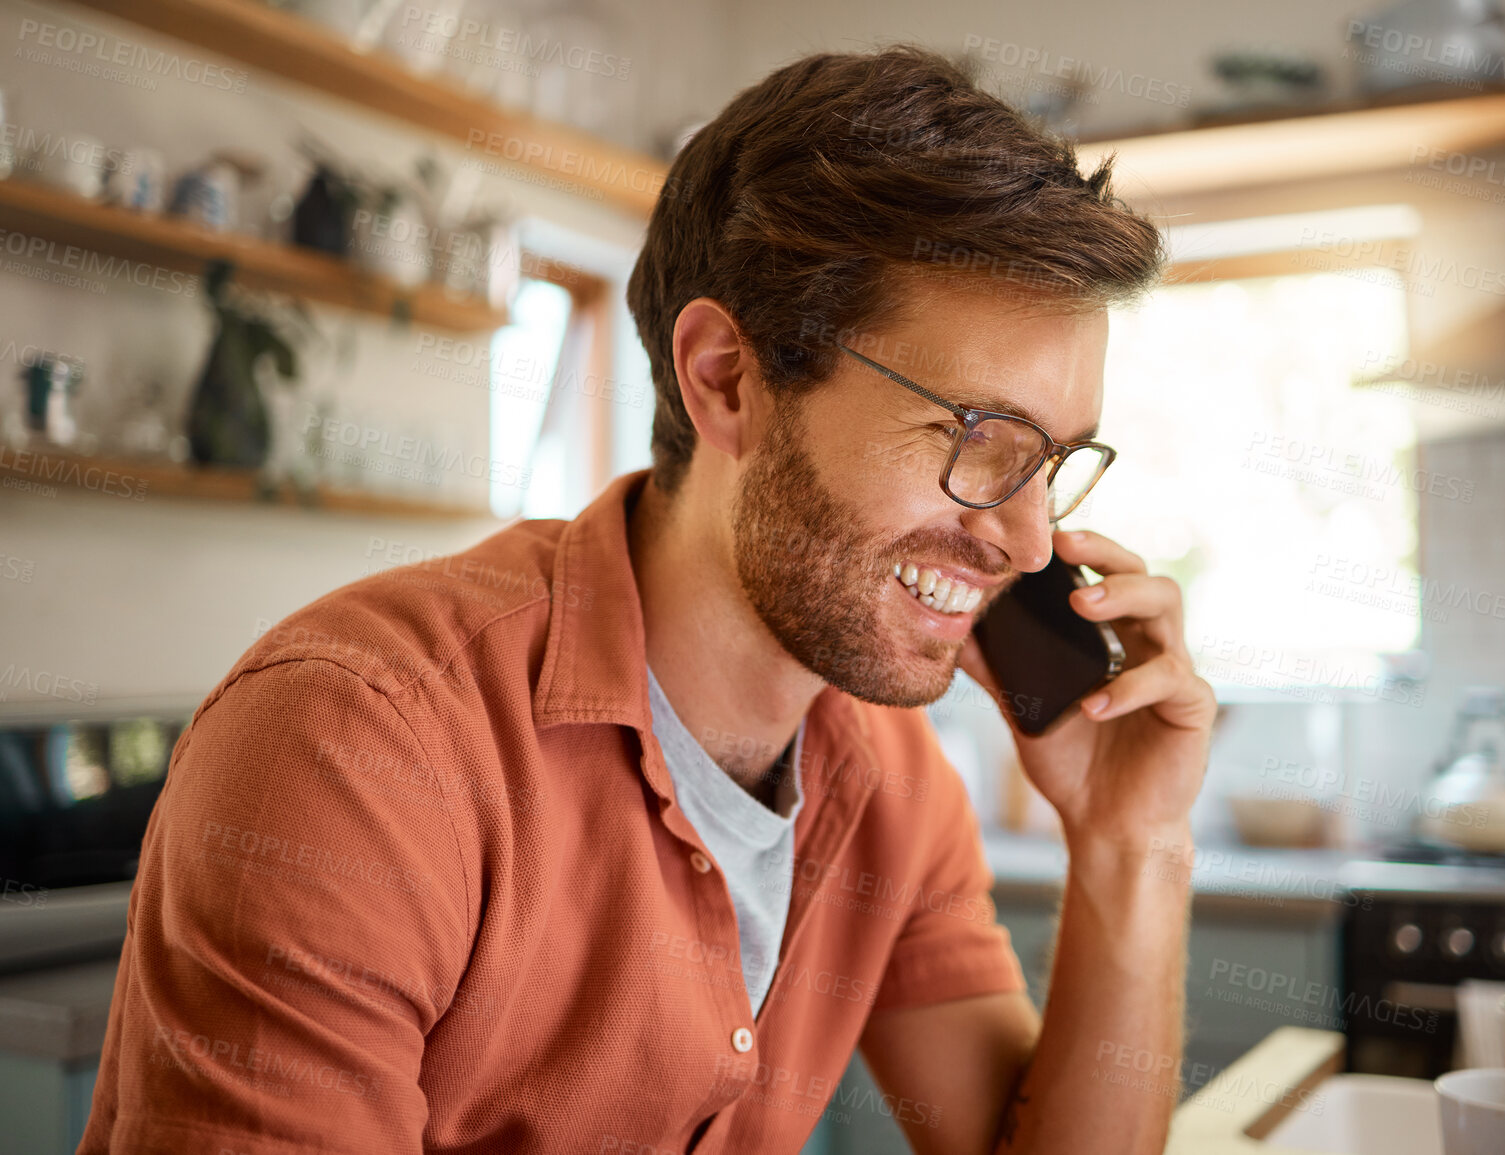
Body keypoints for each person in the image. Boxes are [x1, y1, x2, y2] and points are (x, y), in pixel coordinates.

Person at [79, 43, 1214, 1155]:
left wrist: (1134, 844)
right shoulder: (363, 744)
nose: (1026, 541)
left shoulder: (892, 787)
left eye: (1053, 461)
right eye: (978, 437)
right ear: (727, 380)